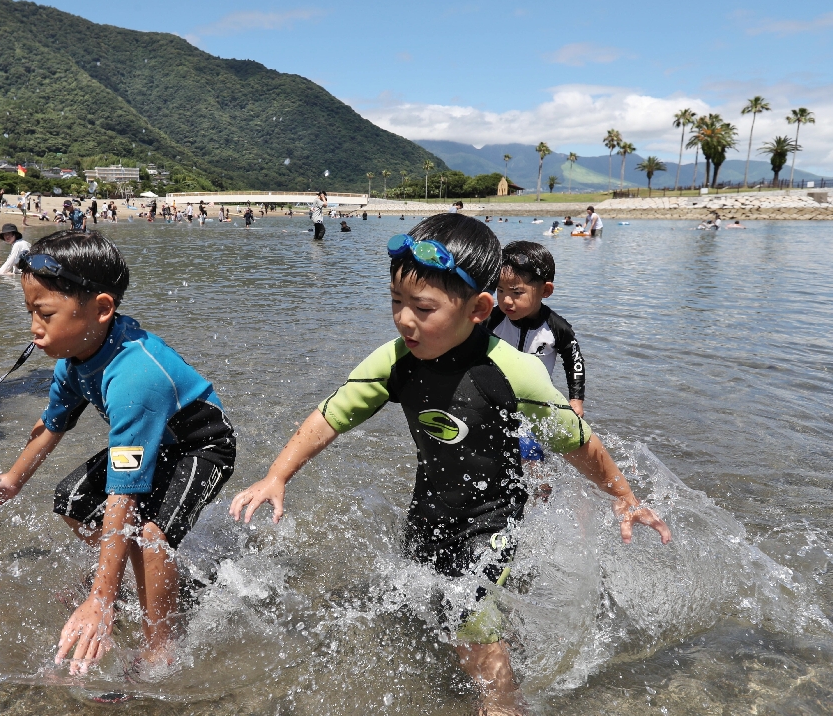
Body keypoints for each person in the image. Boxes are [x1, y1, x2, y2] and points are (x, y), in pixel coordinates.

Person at [228, 214, 670, 715]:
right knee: (426, 600)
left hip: (496, 516)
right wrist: (277, 475)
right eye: (396, 302)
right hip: (430, 510)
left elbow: (578, 442)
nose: (404, 320)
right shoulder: (396, 361)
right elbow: (332, 416)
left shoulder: (513, 371)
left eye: (423, 307)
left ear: (479, 309)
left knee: (472, 616)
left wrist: (624, 496)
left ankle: (504, 704)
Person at [0, 231, 236, 672]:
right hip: (153, 444)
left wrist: (100, 599)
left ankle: (160, 649)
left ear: (101, 309)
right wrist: (13, 478)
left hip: (200, 446)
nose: (34, 328)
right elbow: (52, 422)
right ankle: (143, 574)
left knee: (151, 536)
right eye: (30, 312)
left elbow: (123, 496)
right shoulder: (74, 357)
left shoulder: (133, 378)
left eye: (45, 313)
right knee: (72, 501)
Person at [489, 242, 585, 418]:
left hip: (536, 401)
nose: (506, 300)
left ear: (545, 290)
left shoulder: (557, 328)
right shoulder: (491, 319)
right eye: (500, 291)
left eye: (516, 292)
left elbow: (574, 361)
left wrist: (576, 400)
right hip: (495, 397)